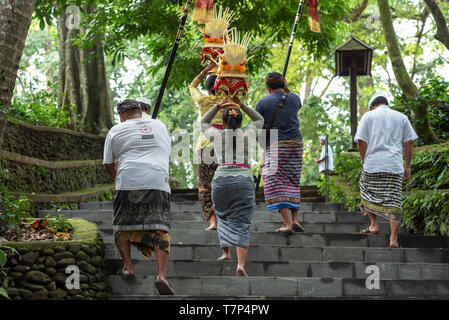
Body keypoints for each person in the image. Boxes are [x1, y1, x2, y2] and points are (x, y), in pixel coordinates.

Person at [103, 99, 175, 295]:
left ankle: (128, 267)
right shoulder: (160, 126)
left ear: (121, 115)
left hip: (128, 179)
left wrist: (121, 181)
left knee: (121, 225)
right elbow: (165, 152)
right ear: (140, 112)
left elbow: (108, 165)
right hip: (158, 180)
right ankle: (162, 275)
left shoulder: (116, 130)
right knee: (160, 227)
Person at [202, 96, 264, 277]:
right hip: (243, 179)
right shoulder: (248, 134)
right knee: (243, 222)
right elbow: (260, 119)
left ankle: (225, 252)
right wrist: (243, 104)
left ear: (222, 122)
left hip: (221, 179)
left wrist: (218, 105)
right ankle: (241, 264)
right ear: (240, 121)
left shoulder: (216, 135)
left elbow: (203, 121)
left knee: (222, 215)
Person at [354, 93, 418, 248]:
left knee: (365, 191)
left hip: (373, 165)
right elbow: (409, 142)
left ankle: (374, 224)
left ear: (372, 106)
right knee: (395, 200)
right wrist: (407, 166)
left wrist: (364, 160)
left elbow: (361, 141)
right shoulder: (401, 117)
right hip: (394, 166)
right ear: (386, 103)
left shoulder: (368, 117)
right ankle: (393, 238)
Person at [256, 72, 304, 233]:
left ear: (268, 86)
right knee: (293, 180)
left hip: (277, 144)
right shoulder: (295, 98)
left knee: (272, 182)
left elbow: (260, 129)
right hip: (296, 143)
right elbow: (291, 101)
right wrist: (285, 88)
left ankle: (287, 223)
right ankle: (295, 219)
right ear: (283, 83)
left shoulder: (263, 103)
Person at [189, 62, 223, 231]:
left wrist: (205, 70)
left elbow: (192, 85)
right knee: (225, 183)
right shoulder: (230, 101)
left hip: (205, 147)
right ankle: (226, 219)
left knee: (204, 185)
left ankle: (213, 222)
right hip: (226, 148)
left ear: (208, 88)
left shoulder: (203, 100)